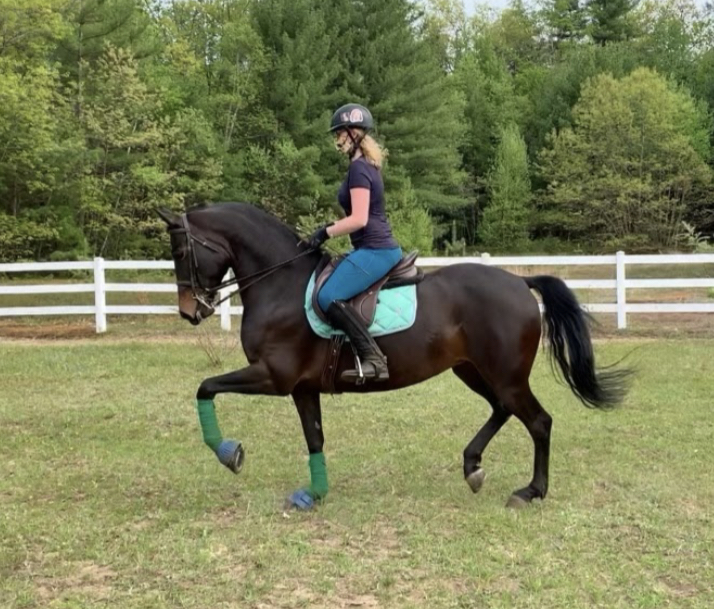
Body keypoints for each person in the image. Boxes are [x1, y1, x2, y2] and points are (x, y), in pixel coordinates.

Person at [304, 103, 402, 383]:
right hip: (369, 249)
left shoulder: (359, 170)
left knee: (327, 296)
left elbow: (359, 218)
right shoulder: (365, 166)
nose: (337, 140)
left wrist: (325, 231)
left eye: (340, 134)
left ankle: (374, 359)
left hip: (376, 250)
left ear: (353, 133)